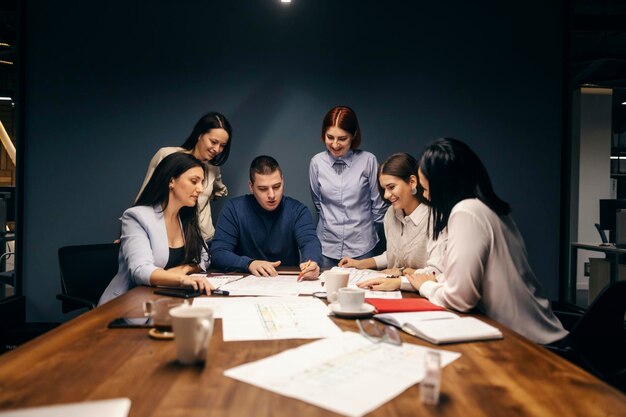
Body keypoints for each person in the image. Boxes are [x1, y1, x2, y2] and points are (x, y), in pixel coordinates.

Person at [358, 138, 567, 344]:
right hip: (523, 334)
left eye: (427, 188)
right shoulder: (486, 208)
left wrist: (425, 287)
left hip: (531, 343)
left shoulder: (466, 212)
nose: (427, 196)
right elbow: (451, 278)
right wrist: (418, 281)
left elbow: (460, 298)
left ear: (443, 184)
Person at [99, 153, 211, 305]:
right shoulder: (136, 217)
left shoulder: (185, 218)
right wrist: (182, 279)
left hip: (165, 301)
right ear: (171, 181)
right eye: (194, 181)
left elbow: (205, 258)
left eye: (202, 182)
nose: (200, 189)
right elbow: (141, 270)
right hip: (128, 305)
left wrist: (183, 269)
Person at [211, 155, 322, 279]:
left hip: (286, 282)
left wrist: (312, 262)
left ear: (283, 181)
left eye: (276, 186)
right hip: (246, 281)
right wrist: (249, 263)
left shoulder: (298, 211)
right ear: (251, 187)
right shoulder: (234, 209)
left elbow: (309, 242)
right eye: (263, 189)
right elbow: (218, 253)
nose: (271, 195)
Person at [339, 153, 443, 281]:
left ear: (412, 182)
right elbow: (394, 255)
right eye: (384, 189)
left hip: (423, 292)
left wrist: (401, 271)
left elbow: (436, 273)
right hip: (394, 289)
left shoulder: (435, 218)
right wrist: (359, 264)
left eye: (391, 187)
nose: (387, 195)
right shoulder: (390, 213)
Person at [309, 106, 386, 267]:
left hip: (362, 248)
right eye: (330, 137)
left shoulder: (368, 161)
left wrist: (364, 233)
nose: (335, 144)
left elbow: (379, 207)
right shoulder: (317, 162)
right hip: (326, 247)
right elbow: (318, 203)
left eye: (342, 138)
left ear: (354, 136)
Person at [137, 111, 232, 242]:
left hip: (204, 240)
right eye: (214, 142)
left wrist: (206, 196)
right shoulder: (167, 156)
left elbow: (220, 190)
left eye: (222, 145)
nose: (217, 149)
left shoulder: (213, 168)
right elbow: (146, 196)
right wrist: (131, 232)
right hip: (168, 240)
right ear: (200, 135)